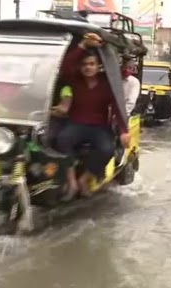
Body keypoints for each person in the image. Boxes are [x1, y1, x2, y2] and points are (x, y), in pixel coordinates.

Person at [56, 33, 130, 201]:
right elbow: (65, 67)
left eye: (92, 64)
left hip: (99, 127)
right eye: (84, 64)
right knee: (61, 141)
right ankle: (72, 182)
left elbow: (118, 107)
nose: (88, 67)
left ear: (98, 66)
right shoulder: (75, 80)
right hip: (76, 124)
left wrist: (124, 130)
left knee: (107, 149)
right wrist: (82, 45)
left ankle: (84, 179)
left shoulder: (107, 83)